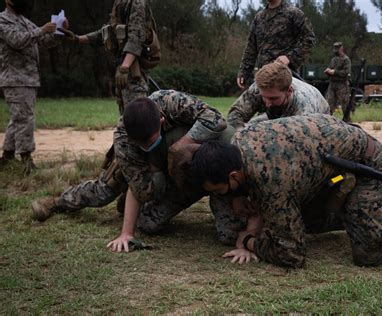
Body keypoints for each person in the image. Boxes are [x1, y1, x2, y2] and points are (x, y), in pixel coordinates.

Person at [190, 115, 382, 268]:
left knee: (370, 252)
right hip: (327, 169)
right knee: (294, 222)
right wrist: (239, 197)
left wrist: (249, 241)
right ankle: (357, 213)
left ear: (233, 176)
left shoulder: (271, 179)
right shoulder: (238, 143)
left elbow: (292, 253)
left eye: (221, 190)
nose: (222, 197)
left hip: (366, 162)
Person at [32, 92, 245, 249]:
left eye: (148, 141)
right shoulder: (125, 142)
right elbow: (142, 188)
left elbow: (216, 119)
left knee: (229, 235)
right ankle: (58, 202)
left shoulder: (171, 102)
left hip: (200, 167)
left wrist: (181, 147)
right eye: (140, 143)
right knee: (107, 192)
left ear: (162, 122)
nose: (144, 146)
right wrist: (127, 233)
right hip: (156, 171)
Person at [63, 0, 160, 114]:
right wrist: (78, 38)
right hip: (123, 69)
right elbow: (107, 33)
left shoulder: (136, 3)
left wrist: (124, 68)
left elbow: (136, 38)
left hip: (133, 71)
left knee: (137, 117)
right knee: (126, 120)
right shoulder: (120, 3)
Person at [0, 0, 60, 173]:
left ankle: (7, 157)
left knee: (18, 118)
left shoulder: (25, 21)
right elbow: (17, 40)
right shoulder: (3, 20)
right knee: (24, 119)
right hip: (15, 79)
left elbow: (44, 41)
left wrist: (57, 30)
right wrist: (42, 29)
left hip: (29, 78)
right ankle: (26, 160)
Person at [236, 0, 316, 90]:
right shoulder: (259, 18)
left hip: (285, 78)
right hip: (263, 77)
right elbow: (251, 47)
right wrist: (244, 71)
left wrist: (290, 57)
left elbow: (309, 39)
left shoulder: (293, 14)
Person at [228, 62, 329, 130]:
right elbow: (236, 115)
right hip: (279, 114)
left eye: (273, 98)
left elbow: (301, 142)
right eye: (264, 97)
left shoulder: (304, 106)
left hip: (318, 125)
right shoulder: (260, 86)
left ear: (289, 91)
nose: (267, 104)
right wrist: (241, 133)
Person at [324, 42, 351, 116]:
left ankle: (346, 120)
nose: (335, 51)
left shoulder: (346, 59)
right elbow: (330, 68)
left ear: (341, 49)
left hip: (342, 84)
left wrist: (335, 72)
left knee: (344, 103)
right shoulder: (333, 59)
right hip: (332, 84)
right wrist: (328, 71)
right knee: (329, 103)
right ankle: (328, 119)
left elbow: (346, 72)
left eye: (337, 49)